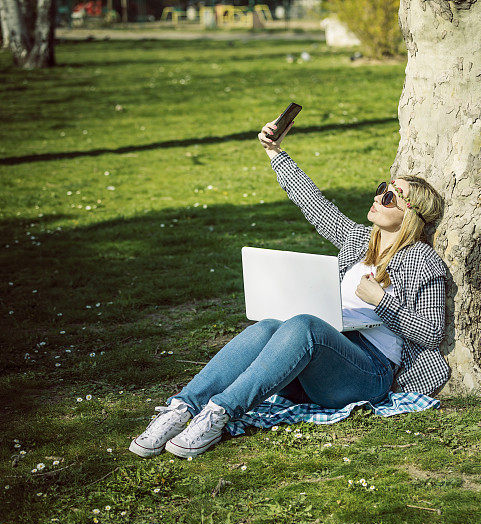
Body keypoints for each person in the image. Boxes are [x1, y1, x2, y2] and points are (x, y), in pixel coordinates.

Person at [129, 117, 450, 459]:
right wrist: (275, 152)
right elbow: (314, 205)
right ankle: (182, 408)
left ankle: (219, 415)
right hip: (322, 360)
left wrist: (382, 301)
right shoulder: (359, 239)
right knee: (268, 326)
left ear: (410, 215)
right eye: (381, 188)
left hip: (369, 372)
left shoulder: (422, 261)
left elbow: (432, 333)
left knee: (304, 325)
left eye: (389, 198)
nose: (377, 197)